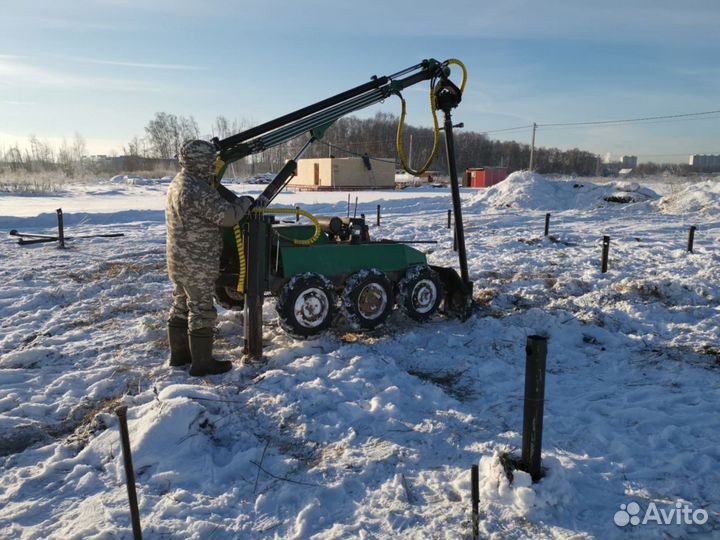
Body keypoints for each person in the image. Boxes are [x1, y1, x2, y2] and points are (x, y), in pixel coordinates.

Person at [165, 139, 254, 376]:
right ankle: (202, 364)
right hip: (197, 263)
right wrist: (246, 202)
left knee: (181, 304)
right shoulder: (198, 189)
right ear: (203, 162)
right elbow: (228, 216)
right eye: (210, 161)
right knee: (202, 309)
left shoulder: (178, 183)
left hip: (178, 260)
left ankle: (180, 356)